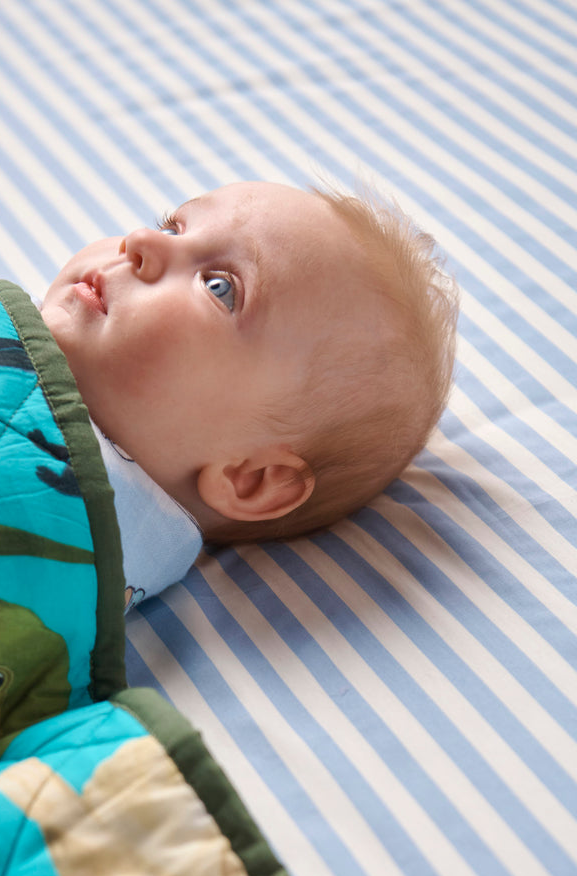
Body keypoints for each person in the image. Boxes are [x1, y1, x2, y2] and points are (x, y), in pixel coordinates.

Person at [40, 181, 459, 589]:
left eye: (219, 286)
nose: (142, 240)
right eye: (172, 226)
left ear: (250, 478)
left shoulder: (66, 553)